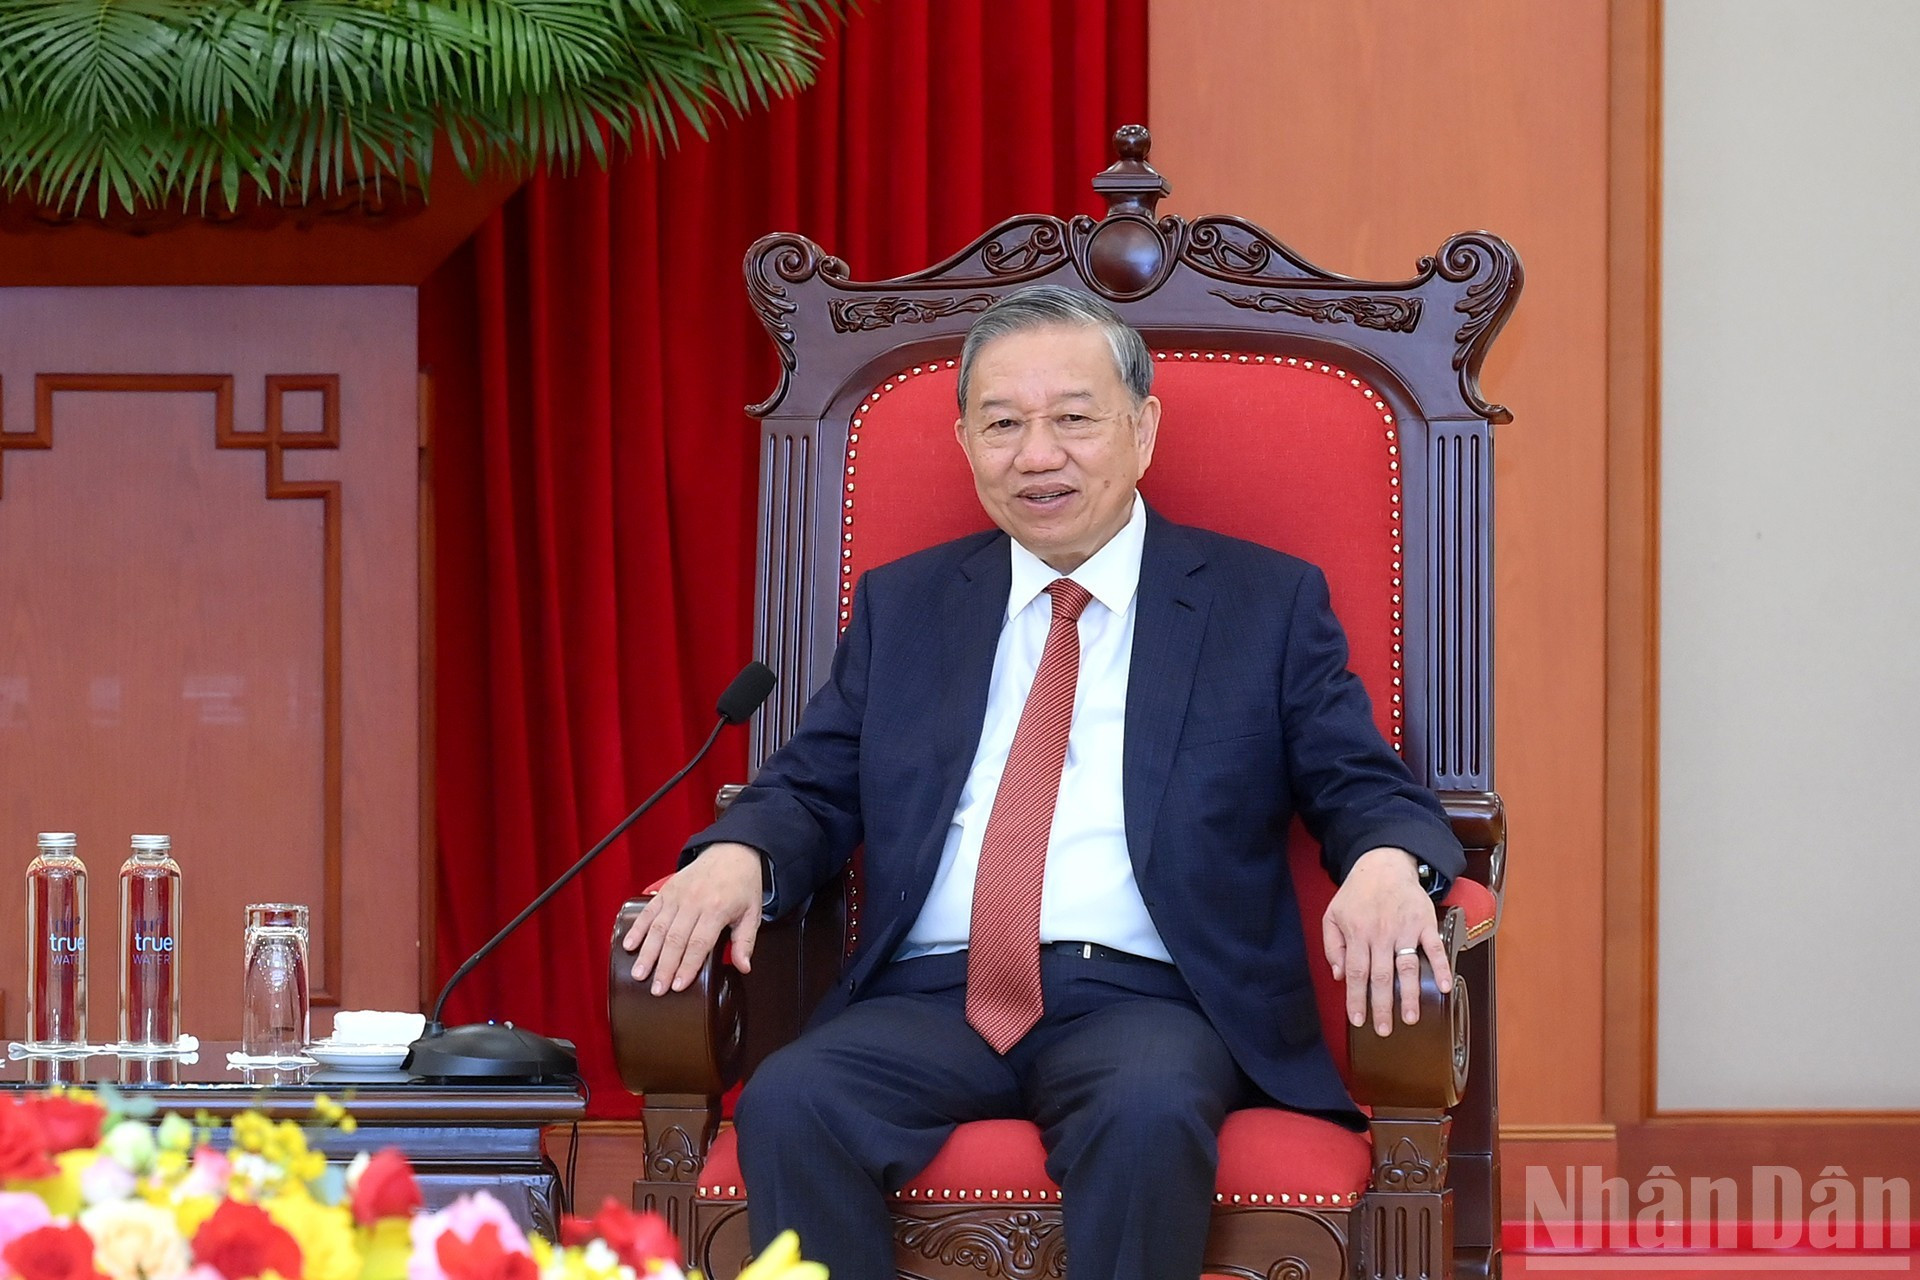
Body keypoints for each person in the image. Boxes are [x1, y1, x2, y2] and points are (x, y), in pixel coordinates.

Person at [623, 284, 1465, 1280]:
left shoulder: (1261, 603)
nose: (1036, 455)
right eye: (1003, 424)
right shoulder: (908, 605)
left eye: (1073, 419)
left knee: (1146, 1108)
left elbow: (1360, 782)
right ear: (965, 441)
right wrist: (740, 851)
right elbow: (813, 786)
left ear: (1143, 430)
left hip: (1150, 998)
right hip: (930, 994)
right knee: (792, 1100)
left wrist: (1386, 859)